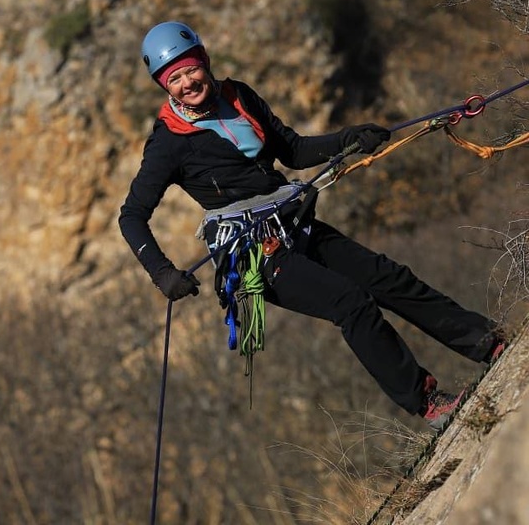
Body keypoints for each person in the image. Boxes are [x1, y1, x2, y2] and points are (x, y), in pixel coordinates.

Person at [118, 21, 505, 431]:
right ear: (164, 87)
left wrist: (348, 139)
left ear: (205, 62)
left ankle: (488, 343)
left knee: (389, 277)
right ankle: (428, 403)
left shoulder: (239, 95)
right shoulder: (168, 142)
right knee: (350, 302)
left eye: (190, 69)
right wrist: (162, 272)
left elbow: (293, 150)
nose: (186, 82)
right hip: (252, 257)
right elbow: (132, 215)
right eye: (173, 78)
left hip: (293, 224)